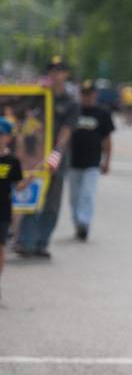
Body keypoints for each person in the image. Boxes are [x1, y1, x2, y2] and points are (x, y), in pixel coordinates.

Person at [16, 56, 80, 258]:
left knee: (51, 202)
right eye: (52, 69)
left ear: (66, 74)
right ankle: (26, 242)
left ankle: (42, 243)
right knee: (31, 198)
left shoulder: (71, 102)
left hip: (55, 159)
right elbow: (20, 114)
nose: (55, 73)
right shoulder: (39, 96)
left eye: (60, 69)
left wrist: (55, 153)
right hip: (34, 157)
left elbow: (67, 130)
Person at [68, 80, 115, 241]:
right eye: (84, 94)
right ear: (80, 95)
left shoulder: (102, 113)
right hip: (73, 161)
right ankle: (77, 222)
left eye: (90, 94)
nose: (87, 97)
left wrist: (107, 161)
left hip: (92, 162)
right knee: (74, 196)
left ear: (95, 95)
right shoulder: (74, 111)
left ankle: (84, 223)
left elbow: (107, 139)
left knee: (87, 194)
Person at [0, 118, 23, 298]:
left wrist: (30, 180)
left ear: (7, 137)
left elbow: (18, 184)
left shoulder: (12, 161)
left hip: (3, 210)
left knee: (0, 247)